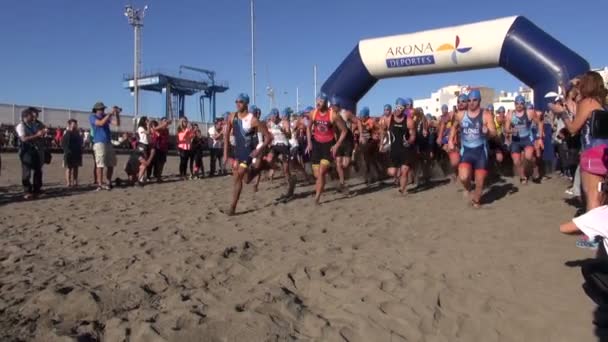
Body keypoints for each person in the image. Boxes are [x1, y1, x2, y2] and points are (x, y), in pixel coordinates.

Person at [556, 71, 608, 211]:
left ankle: (593, 232)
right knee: (601, 195)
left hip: (591, 153)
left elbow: (573, 128)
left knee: (592, 197)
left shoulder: (587, 102)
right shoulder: (602, 103)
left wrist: (561, 113)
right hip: (603, 152)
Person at [223, 93, 273, 215]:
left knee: (238, 176)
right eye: (236, 101)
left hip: (248, 153)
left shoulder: (253, 120)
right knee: (246, 179)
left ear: (246, 103)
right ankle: (259, 169)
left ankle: (232, 208)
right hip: (237, 151)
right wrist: (225, 154)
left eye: (240, 101)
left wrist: (258, 150)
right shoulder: (232, 116)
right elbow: (225, 136)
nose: (237, 104)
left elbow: (268, 137)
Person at [449, 89, 497, 208]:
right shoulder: (460, 115)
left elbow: (494, 133)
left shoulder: (486, 115)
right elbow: (454, 127)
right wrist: (450, 140)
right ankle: (469, 188)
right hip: (467, 151)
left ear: (479, 101)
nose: (471, 103)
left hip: (481, 152)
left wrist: (487, 133)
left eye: (474, 100)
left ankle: (476, 201)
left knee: (480, 183)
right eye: (469, 100)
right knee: (464, 177)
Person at [306, 93, 348, 204]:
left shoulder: (333, 115)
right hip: (316, 145)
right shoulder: (313, 113)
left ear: (326, 102)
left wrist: (337, 145)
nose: (318, 102)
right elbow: (308, 127)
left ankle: (317, 198)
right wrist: (309, 142)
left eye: (321, 101)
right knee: (317, 174)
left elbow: (344, 131)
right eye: (317, 100)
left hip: (328, 145)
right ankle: (330, 171)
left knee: (321, 173)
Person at [380, 97, 417, 194]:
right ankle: (398, 176)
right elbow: (383, 131)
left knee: (404, 171)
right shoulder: (388, 120)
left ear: (404, 109)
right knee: (392, 172)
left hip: (406, 150)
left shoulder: (409, 121)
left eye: (400, 108)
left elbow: (413, 136)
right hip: (394, 150)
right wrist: (382, 144)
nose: (398, 110)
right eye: (396, 107)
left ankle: (402, 189)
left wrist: (409, 141)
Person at [505, 95, 539, 184]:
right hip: (516, 141)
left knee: (528, 157)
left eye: (521, 103)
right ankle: (523, 176)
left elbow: (539, 122)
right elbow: (506, 129)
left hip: (527, 138)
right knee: (516, 161)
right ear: (514, 104)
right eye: (517, 103)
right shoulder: (510, 114)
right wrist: (511, 131)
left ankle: (535, 167)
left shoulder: (529, 112)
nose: (519, 105)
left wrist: (538, 137)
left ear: (524, 104)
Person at [16, 107, 47, 199]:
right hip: (25, 151)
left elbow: (36, 135)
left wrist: (41, 135)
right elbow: (23, 139)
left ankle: (37, 190)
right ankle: (27, 191)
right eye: (31, 115)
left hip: (35, 150)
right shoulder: (21, 126)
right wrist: (37, 135)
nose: (33, 116)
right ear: (25, 116)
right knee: (27, 171)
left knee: (38, 170)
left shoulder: (32, 125)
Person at [89, 102, 118, 191]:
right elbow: (100, 123)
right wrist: (109, 115)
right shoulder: (92, 117)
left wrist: (117, 114)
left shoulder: (105, 116)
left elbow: (117, 123)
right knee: (100, 164)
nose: (102, 110)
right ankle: (100, 184)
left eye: (103, 109)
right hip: (99, 142)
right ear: (96, 110)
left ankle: (108, 182)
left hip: (108, 142)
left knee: (111, 163)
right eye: (101, 109)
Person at [334, 101, 362, 193]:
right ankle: (342, 183)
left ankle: (353, 162)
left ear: (338, 106)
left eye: (334, 106)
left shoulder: (346, 113)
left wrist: (361, 135)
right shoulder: (332, 115)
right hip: (338, 141)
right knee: (338, 163)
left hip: (348, 142)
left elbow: (358, 121)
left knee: (345, 165)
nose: (332, 108)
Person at [62, 119, 83, 187]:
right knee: (69, 168)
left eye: (75, 124)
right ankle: (68, 182)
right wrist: (67, 152)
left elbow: (80, 142)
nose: (75, 125)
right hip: (69, 153)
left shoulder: (78, 133)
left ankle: (75, 181)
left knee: (76, 168)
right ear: (69, 125)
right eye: (73, 124)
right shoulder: (67, 133)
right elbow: (64, 143)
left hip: (77, 153)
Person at [148, 118, 170, 182]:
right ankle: (152, 176)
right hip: (157, 148)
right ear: (161, 122)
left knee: (162, 163)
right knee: (156, 163)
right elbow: (155, 130)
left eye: (166, 121)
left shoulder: (166, 129)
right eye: (164, 121)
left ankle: (159, 177)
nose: (166, 122)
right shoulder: (158, 128)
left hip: (164, 148)